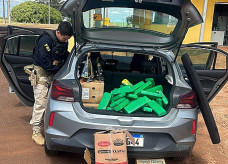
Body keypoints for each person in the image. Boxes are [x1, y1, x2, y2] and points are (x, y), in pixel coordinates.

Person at [24, 21, 73, 146]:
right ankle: (35, 132)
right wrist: (59, 73)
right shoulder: (45, 41)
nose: (65, 40)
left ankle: (50, 126)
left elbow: (64, 55)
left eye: (67, 39)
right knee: (41, 103)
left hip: (53, 73)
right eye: (64, 37)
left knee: (53, 102)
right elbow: (45, 62)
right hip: (42, 74)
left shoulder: (63, 41)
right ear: (58, 32)